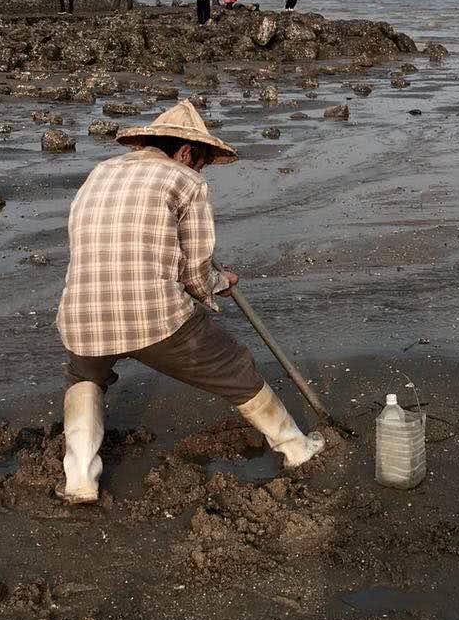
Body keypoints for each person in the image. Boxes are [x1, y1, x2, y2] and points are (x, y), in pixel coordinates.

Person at [55, 101, 325, 504]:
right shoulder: (186, 181)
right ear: (185, 152)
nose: (200, 170)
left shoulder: (102, 171)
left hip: (80, 315)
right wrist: (221, 282)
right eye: (201, 162)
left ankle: (79, 479)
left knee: (85, 377)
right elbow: (197, 274)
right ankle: (296, 449)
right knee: (234, 366)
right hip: (152, 314)